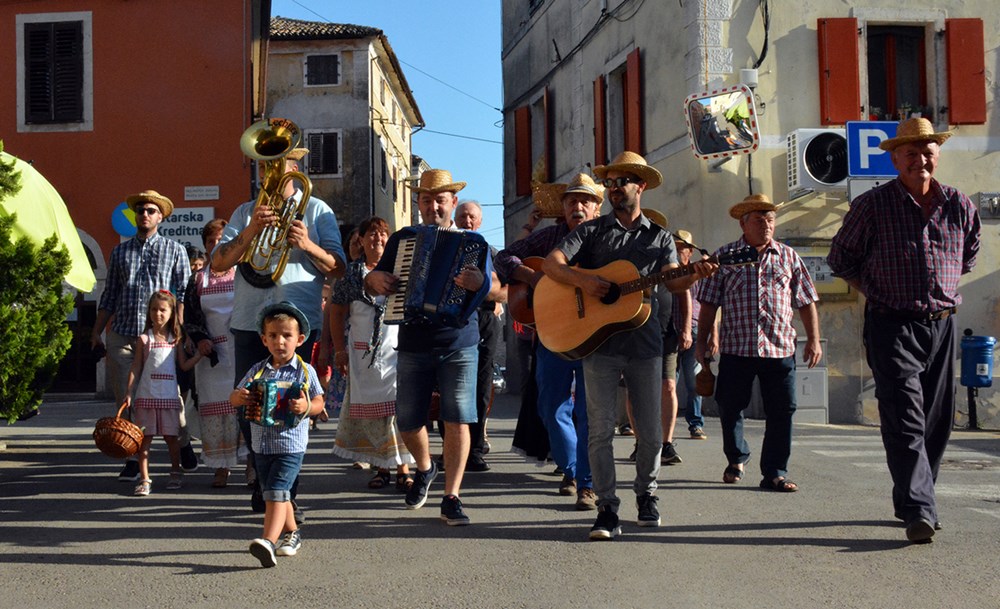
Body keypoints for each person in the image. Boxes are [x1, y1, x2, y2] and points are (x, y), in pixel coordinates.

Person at [541, 152, 717, 540]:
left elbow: (673, 280)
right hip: (599, 344)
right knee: (601, 429)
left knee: (651, 432)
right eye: (611, 182)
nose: (615, 188)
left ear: (641, 186)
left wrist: (693, 276)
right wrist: (583, 282)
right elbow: (551, 265)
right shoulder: (590, 231)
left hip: (646, 343)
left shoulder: (660, 237)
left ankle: (647, 494)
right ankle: (606, 507)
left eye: (623, 181)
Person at [827, 117, 981, 544]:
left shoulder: (959, 204)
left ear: (938, 155)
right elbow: (842, 259)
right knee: (905, 418)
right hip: (892, 323)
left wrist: (940, 289)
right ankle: (919, 509)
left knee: (937, 421)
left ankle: (915, 497)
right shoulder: (873, 206)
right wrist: (875, 291)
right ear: (895, 158)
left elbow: (968, 256)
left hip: (942, 325)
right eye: (910, 152)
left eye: (927, 151)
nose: (920, 160)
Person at [365, 168, 501, 526]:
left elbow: (499, 290)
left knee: (457, 418)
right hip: (413, 339)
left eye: (440, 199)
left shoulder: (475, 244)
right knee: (408, 420)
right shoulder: (403, 239)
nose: (433, 206)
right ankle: (425, 469)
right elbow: (375, 277)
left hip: (458, 340)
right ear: (419, 203)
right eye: (426, 199)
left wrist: (480, 284)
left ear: (452, 203)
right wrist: (373, 278)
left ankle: (452, 496)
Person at [212, 146, 345, 495]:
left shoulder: (317, 210)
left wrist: (308, 245)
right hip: (249, 320)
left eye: (277, 162)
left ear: (294, 167)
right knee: (248, 403)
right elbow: (219, 263)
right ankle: (260, 469)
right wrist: (252, 229)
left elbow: (340, 267)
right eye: (264, 163)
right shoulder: (245, 212)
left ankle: (285, 489)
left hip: (297, 322)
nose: (268, 170)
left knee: (293, 407)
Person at [695, 194, 822, 493]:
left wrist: (813, 340)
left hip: (779, 347)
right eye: (759, 220)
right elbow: (709, 304)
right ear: (743, 223)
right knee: (729, 406)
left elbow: (806, 301)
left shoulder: (789, 257)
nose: (766, 225)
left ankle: (775, 472)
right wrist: (703, 343)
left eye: (770, 219)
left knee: (782, 410)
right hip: (737, 347)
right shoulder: (724, 257)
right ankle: (737, 457)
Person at [495, 173, 604, 510]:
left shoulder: (607, 239)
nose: (578, 206)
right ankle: (571, 467)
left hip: (594, 336)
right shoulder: (547, 239)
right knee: (549, 405)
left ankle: (585, 482)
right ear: (563, 207)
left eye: (586, 200)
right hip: (552, 333)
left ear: (597, 208)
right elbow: (504, 258)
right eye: (572, 201)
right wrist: (536, 277)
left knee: (590, 411)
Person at [90, 190, 195, 482]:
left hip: (161, 337)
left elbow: (184, 294)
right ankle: (133, 458)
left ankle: (183, 443)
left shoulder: (176, 250)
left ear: (160, 216)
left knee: (171, 397)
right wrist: (97, 331)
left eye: (150, 210)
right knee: (128, 398)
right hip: (123, 335)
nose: (144, 215)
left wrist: (182, 332)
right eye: (140, 210)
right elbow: (109, 295)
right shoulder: (119, 252)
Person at [231, 302, 325, 568]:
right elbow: (235, 398)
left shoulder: (305, 371)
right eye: (273, 335)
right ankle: (292, 533)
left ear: (300, 340)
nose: (279, 341)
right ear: (264, 339)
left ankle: (268, 541)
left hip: (291, 443)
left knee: (275, 491)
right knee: (276, 492)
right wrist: (240, 396)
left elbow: (319, 403)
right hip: (261, 443)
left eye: (286, 336)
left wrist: (306, 407)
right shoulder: (257, 370)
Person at [328, 216, 414, 490]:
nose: (377, 239)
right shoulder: (350, 275)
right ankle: (381, 468)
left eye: (383, 235)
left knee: (398, 410)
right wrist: (339, 350)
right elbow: (337, 312)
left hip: (396, 350)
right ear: (361, 241)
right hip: (361, 353)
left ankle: (403, 468)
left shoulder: (400, 270)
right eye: (372, 235)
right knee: (373, 414)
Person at [125, 291, 204, 496]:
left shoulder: (175, 340)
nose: (158, 314)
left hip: (169, 397)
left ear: (171, 313)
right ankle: (144, 478)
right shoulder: (144, 339)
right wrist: (129, 391)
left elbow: (184, 366)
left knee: (172, 438)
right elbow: (136, 367)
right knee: (144, 439)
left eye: (162, 310)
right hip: (146, 396)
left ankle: (175, 472)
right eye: (154, 309)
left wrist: (198, 356)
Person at [183, 218, 239, 487]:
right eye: (211, 241)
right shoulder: (197, 279)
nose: (216, 245)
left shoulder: (244, 273)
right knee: (214, 411)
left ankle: (251, 466)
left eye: (220, 240)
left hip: (239, 351)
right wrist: (201, 339)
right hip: (210, 357)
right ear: (204, 246)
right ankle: (220, 467)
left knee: (243, 406)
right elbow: (191, 315)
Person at [454, 199, 508, 472]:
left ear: (480, 221)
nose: (467, 221)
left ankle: (474, 450)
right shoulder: (447, 246)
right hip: (454, 319)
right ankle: (453, 449)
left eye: (472, 217)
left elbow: (504, 289)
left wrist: (492, 293)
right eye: (462, 216)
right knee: (451, 387)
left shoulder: (492, 252)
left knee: (481, 385)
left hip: (485, 320)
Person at [672, 230, 709, 440]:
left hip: (694, 331)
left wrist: (712, 336)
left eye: (681, 248)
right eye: (675, 247)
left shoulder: (700, 274)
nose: (678, 252)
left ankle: (695, 423)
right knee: (669, 382)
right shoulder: (668, 271)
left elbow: (709, 305)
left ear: (690, 251)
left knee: (693, 380)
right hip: (670, 331)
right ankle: (665, 423)